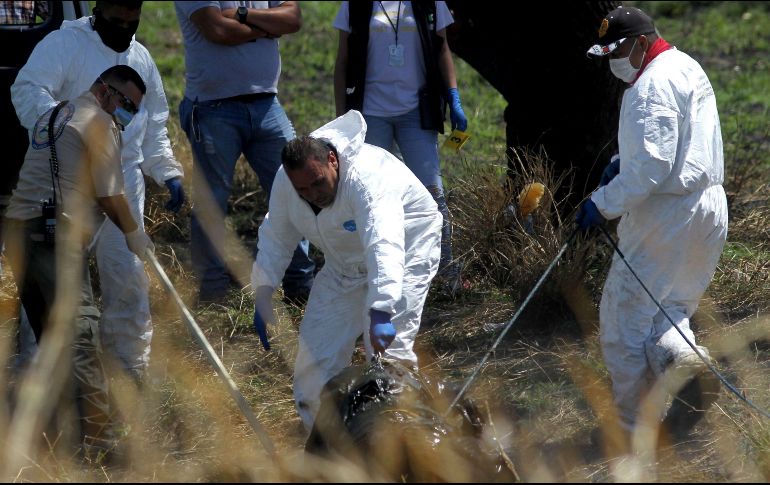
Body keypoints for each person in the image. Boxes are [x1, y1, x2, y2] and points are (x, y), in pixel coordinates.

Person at [11, 0, 185, 381]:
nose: (123, 25)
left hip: (123, 186)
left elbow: (154, 123)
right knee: (52, 282)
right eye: (116, 17)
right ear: (98, 8)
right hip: (68, 185)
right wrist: (65, 130)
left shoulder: (141, 58)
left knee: (128, 280)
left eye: (131, 19)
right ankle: (37, 377)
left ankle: (129, 373)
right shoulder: (65, 45)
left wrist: (166, 170)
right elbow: (27, 89)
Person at [578, 6, 728, 443]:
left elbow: (651, 170)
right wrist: (620, 163)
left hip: (666, 215)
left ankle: (629, 430)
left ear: (641, 41)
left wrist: (600, 204)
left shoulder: (649, 86)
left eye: (619, 49)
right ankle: (689, 366)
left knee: (623, 320)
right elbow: (671, 145)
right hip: (707, 207)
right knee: (671, 309)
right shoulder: (686, 67)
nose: (613, 60)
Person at [250, 110, 442, 431]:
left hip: (406, 248)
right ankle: (327, 452)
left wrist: (381, 309)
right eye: (303, 191)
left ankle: (403, 449)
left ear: (332, 161)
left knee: (387, 362)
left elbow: (385, 244)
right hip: (344, 264)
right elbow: (277, 234)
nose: (312, 195)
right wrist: (264, 289)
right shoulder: (289, 181)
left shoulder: (366, 181)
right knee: (313, 364)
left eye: (317, 183)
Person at [3, 65, 154, 456]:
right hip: (55, 238)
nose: (128, 115)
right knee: (81, 336)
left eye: (134, 111)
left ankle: (56, 433)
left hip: (22, 233)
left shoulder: (55, 114)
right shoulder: (99, 122)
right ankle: (98, 441)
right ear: (104, 92)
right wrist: (136, 234)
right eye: (126, 104)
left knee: (53, 338)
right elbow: (109, 192)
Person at [174, 1, 315, 305]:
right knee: (211, 202)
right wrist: (267, 27)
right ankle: (212, 294)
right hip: (213, 107)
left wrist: (241, 15)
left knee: (294, 188)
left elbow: (292, 19)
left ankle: (299, 284)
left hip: (266, 104)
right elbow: (217, 29)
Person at [333, 1, 467, 297]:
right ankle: (371, 275)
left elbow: (442, 49)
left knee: (432, 193)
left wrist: (453, 96)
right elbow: (342, 62)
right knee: (370, 197)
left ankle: (446, 274)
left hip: (416, 113)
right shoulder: (354, 5)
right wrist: (343, 118)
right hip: (371, 113)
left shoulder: (430, 2)